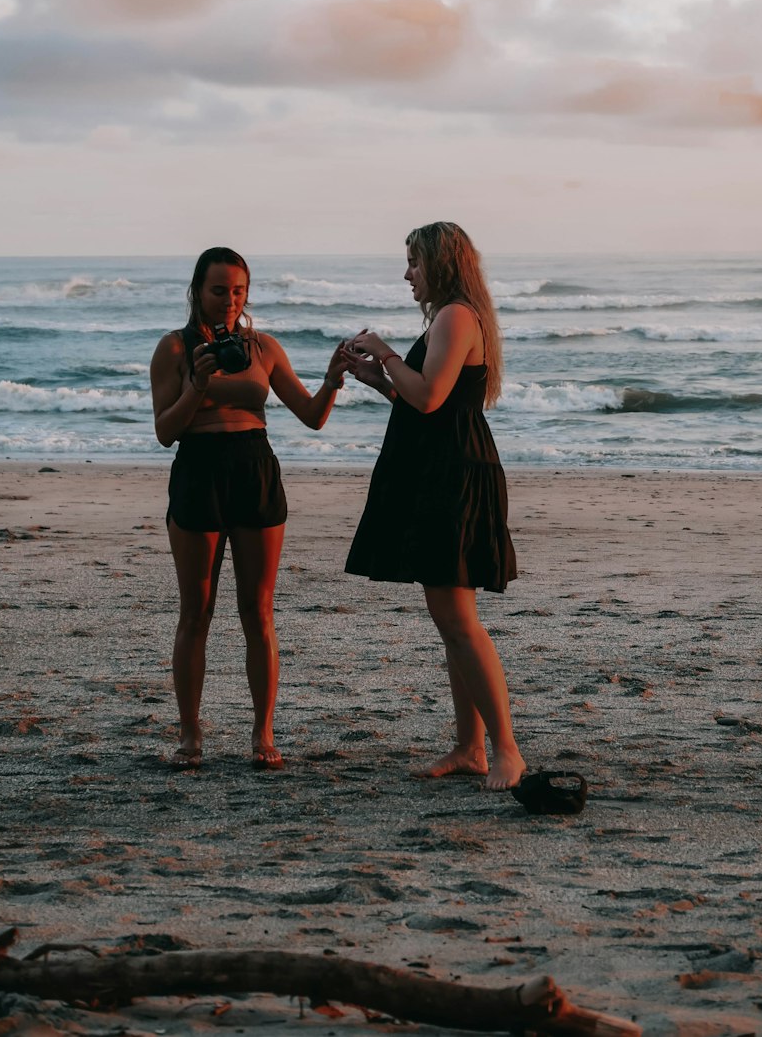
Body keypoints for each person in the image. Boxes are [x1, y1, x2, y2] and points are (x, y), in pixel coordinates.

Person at [343, 222, 526, 791]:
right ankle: (470, 747)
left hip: (452, 474)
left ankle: (507, 752)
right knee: (451, 621)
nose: (407, 275)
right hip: (439, 467)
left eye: (414, 263)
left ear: (440, 264)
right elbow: (422, 397)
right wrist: (377, 377)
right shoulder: (455, 316)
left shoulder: (456, 316)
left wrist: (383, 349)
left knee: (460, 621)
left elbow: (428, 396)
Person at [150, 246, 347, 771]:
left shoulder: (263, 346)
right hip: (198, 471)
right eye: (219, 291)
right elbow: (166, 431)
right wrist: (196, 383)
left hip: (254, 469)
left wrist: (331, 380)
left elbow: (310, 416)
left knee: (258, 613)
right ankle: (191, 737)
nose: (229, 301)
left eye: (238, 291)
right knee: (197, 612)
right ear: (197, 291)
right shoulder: (173, 348)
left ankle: (263, 735)